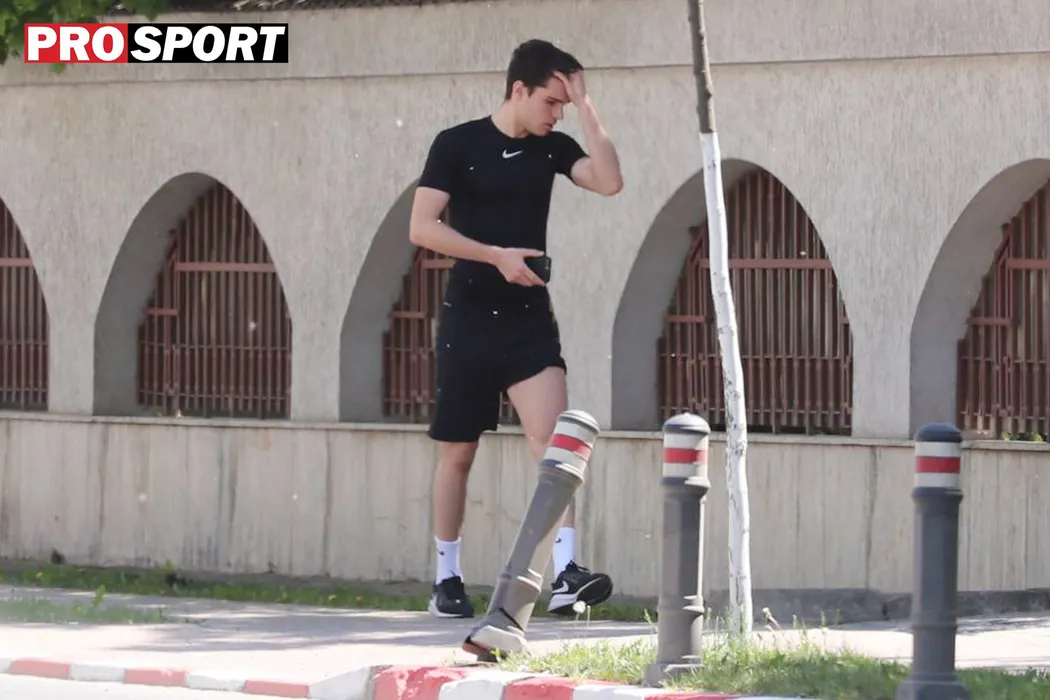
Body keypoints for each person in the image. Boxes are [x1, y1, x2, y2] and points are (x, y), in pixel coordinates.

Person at [408, 38, 624, 619]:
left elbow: (609, 181)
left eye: (564, 105)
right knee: (458, 452)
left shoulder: (553, 147)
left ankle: (566, 573)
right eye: (551, 102)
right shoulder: (457, 144)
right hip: (469, 316)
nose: (557, 114)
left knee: (556, 444)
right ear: (518, 89)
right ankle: (446, 577)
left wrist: (587, 105)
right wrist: (493, 255)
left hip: (528, 318)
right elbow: (422, 227)